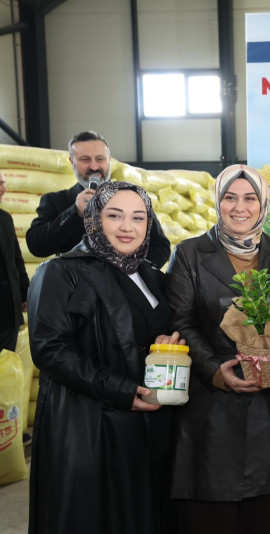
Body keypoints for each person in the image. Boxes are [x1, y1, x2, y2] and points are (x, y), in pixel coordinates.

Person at [26, 181, 183, 534]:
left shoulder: (150, 276)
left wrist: (168, 343)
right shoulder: (60, 272)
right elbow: (50, 349)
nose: (127, 227)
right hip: (92, 431)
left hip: (147, 429)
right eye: (115, 215)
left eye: (138, 217)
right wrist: (121, 390)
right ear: (95, 218)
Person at [167, 164, 270, 534]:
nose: (239, 207)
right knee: (210, 519)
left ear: (263, 204)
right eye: (230, 197)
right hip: (210, 413)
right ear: (218, 202)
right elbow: (180, 323)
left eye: (250, 198)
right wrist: (214, 369)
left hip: (265, 412)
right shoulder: (190, 254)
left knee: (258, 521)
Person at [25, 130, 171, 268]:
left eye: (100, 159)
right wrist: (74, 213)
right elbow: (37, 247)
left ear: (109, 160)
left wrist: (131, 271)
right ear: (72, 162)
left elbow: (160, 247)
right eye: (85, 159)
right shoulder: (55, 201)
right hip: (75, 289)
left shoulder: (133, 198)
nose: (94, 166)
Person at [0, 170, 29, 351]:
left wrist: (24, 293)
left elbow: (16, 260)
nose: (5, 189)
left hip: (8, 311)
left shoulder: (5, 219)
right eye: (0, 184)